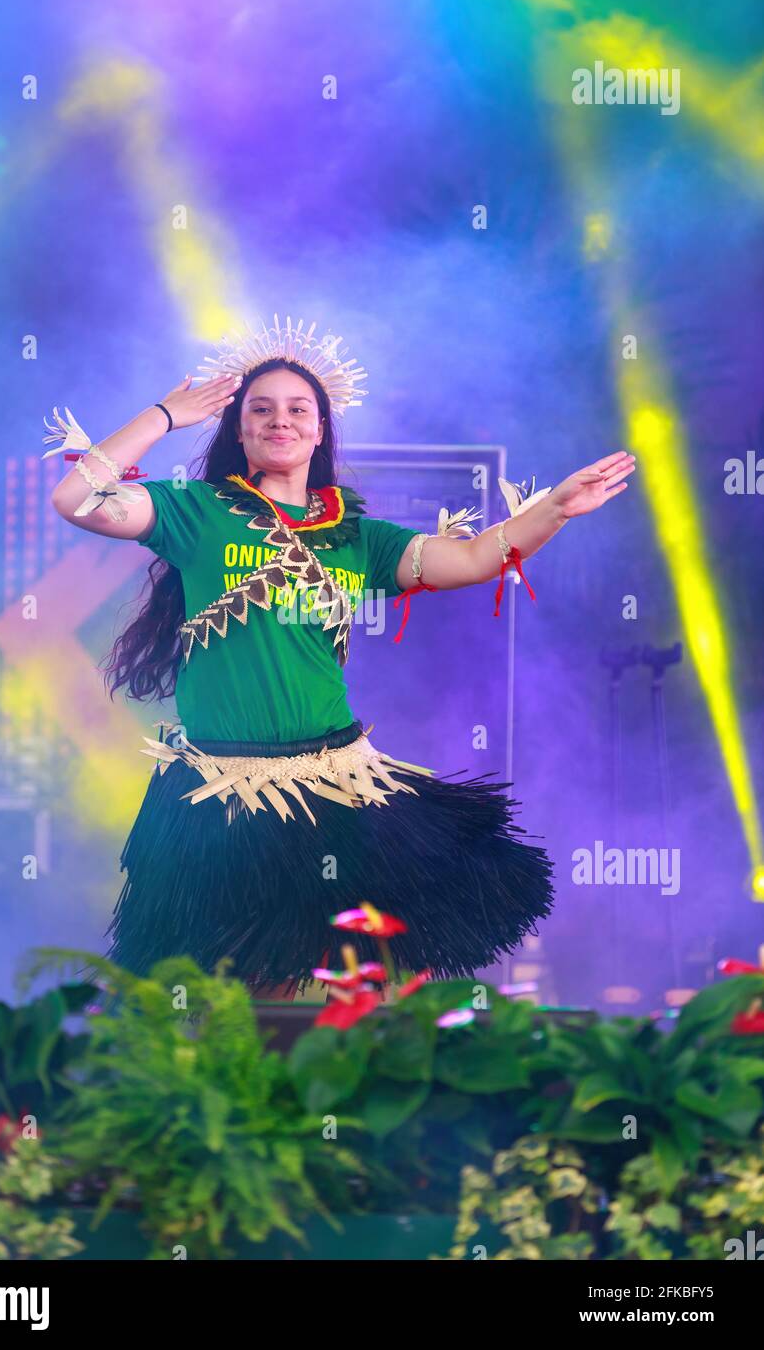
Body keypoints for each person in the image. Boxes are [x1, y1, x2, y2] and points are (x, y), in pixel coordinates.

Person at [46, 316, 635, 997]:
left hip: (330, 786)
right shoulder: (197, 512)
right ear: (238, 430)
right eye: (259, 409)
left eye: (299, 409)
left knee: (343, 982)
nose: (281, 420)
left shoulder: (354, 536)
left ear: (321, 429)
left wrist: (556, 509)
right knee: (224, 994)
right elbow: (76, 497)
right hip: (221, 795)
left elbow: (476, 557)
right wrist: (163, 415)